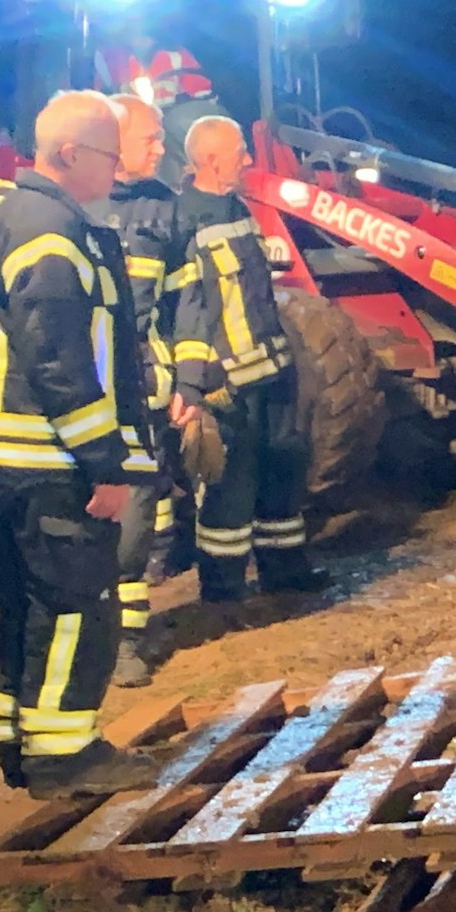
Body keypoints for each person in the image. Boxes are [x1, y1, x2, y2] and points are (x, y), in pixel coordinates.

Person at [0, 91, 162, 798]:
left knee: (29, 607)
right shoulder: (50, 227)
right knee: (77, 606)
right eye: (109, 154)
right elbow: (60, 355)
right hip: (45, 458)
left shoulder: (20, 216)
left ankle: (22, 743)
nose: (119, 170)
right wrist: (105, 460)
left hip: (6, 457)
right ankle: (66, 755)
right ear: (69, 154)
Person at [172, 116, 322, 605]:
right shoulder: (186, 219)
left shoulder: (234, 207)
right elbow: (189, 309)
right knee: (229, 484)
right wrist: (195, 383)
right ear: (211, 158)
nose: (249, 160)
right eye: (240, 151)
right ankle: (223, 590)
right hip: (227, 381)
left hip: (272, 370)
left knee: (283, 470)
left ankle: (286, 571)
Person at [92, 95, 193, 686]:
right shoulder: (65, 207)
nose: (161, 148)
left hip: (139, 394)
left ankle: (126, 636)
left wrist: (191, 381)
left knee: (135, 518)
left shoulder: (165, 211)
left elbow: (185, 307)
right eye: (150, 138)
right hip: (71, 396)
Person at [95, 26, 227, 188]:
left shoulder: (174, 55)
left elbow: (201, 91)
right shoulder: (113, 58)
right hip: (152, 118)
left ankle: (199, 181)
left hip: (187, 112)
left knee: (172, 128)